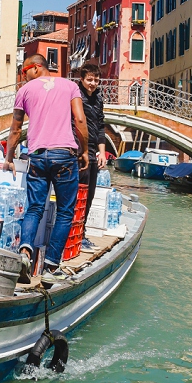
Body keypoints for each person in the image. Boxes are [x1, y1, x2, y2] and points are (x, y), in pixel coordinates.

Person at [4, 54, 89, 287]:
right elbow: (80, 121)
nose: (23, 77)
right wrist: (84, 151)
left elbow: (15, 129)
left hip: (38, 156)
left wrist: (9, 157)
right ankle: (51, 267)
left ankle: (25, 254)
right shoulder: (71, 86)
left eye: (24, 72)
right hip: (64, 156)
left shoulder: (25, 92)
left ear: (36, 67)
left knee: (34, 208)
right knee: (64, 212)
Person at [76, 63, 106, 251]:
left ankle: (82, 234)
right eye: (89, 79)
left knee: (89, 196)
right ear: (82, 79)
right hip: (79, 152)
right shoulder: (75, 96)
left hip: (94, 153)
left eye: (96, 80)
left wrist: (102, 152)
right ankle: (75, 234)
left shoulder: (98, 100)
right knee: (78, 195)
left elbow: (101, 126)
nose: (93, 83)